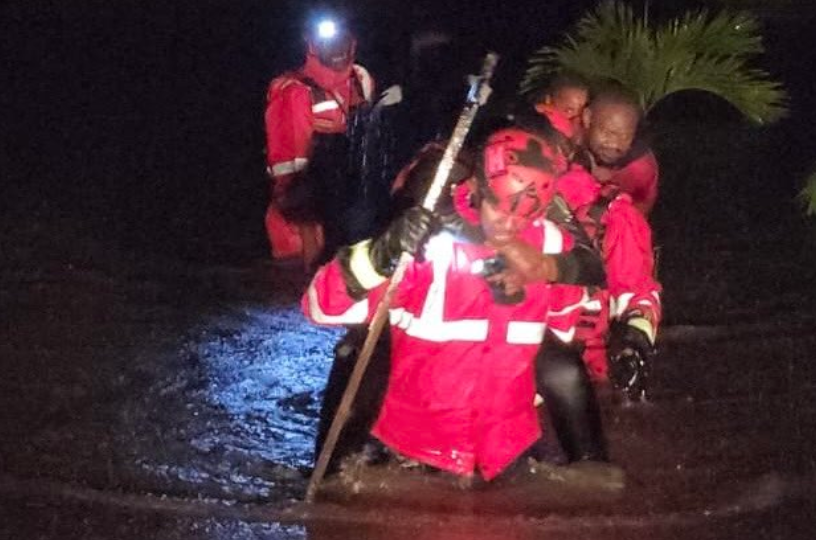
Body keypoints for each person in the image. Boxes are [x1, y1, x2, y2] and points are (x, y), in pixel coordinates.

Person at [302, 127, 613, 482]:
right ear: (477, 187)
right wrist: (379, 254)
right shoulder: (425, 244)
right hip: (413, 452)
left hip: (503, 455)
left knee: (561, 361)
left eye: (524, 216)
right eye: (499, 209)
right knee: (355, 351)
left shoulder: (548, 246)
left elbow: (563, 325)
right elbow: (319, 308)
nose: (509, 225)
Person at [264, 16, 401, 269]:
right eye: (328, 42)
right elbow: (290, 175)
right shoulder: (295, 92)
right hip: (308, 227)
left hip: (356, 206)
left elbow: (373, 143)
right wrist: (311, 248)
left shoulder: (361, 80)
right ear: (312, 44)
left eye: (343, 41)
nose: (337, 50)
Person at [580, 87, 659, 216]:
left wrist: (612, 178)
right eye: (609, 133)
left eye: (625, 137)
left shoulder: (639, 169)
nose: (615, 144)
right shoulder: (569, 139)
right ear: (587, 118)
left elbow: (637, 214)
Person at [532, 72, 590, 152]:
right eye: (569, 110)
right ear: (548, 100)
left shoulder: (583, 126)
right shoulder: (537, 122)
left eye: (581, 111)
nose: (577, 115)